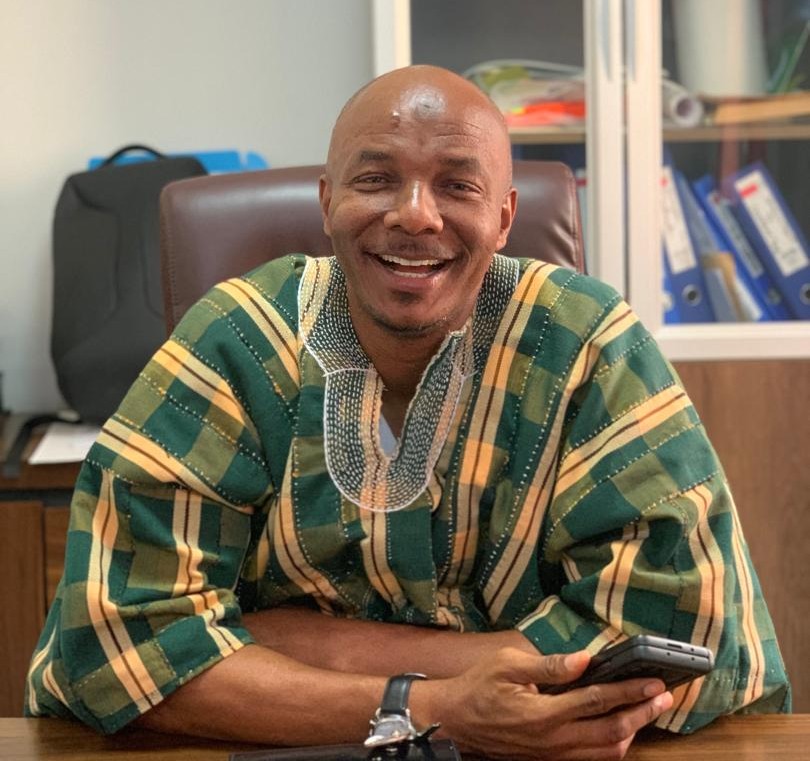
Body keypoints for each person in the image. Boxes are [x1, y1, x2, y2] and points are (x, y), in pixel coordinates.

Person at [26, 65, 789, 760]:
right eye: (376, 179)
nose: (416, 215)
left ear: (504, 216)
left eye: (457, 185)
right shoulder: (234, 341)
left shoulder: (589, 345)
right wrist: (438, 706)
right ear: (327, 201)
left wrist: (302, 645)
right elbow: (113, 647)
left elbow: (683, 636)